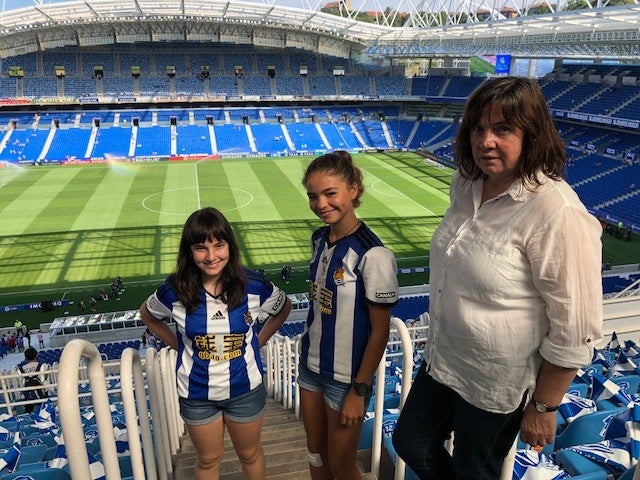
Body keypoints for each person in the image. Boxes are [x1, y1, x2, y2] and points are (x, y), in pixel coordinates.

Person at [391, 76, 603, 479]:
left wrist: (544, 406)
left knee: (476, 471)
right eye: (478, 128)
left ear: (531, 135)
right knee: (410, 442)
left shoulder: (557, 212)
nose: (486, 141)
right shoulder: (466, 183)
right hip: (443, 361)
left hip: (494, 384)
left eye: (503, 129)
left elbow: (576, 328)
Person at [139, 207, 292, 480]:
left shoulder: (254, 286)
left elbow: (283, 307)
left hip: (245, 389)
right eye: (201, 248)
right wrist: (178, 345)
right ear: (189, 251)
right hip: (197, 394)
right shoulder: (174, 291)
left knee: (250, 454)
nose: (211, 257)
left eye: (219, 245)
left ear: (230, 245)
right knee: (208, 460)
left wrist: (259, 341)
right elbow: (148, 315)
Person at [298, 151, 399, 480]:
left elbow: (380, 331)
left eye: (330, 193)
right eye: (313, 196)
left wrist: (359, 389)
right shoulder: (318, 239)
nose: (321, 204)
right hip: (310, 366)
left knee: (342, 465)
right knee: (316, 452)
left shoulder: (374, 254)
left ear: (354, 190)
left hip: (346, 380)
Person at [19, 347, 48, 414]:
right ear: (36, 355)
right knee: (45, 411)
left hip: (28, 394)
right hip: (42, 393)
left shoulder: (20, 369)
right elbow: (45, 378)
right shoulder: (42, 366)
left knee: (28, 412)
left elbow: (22, 381)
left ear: (25, 357)